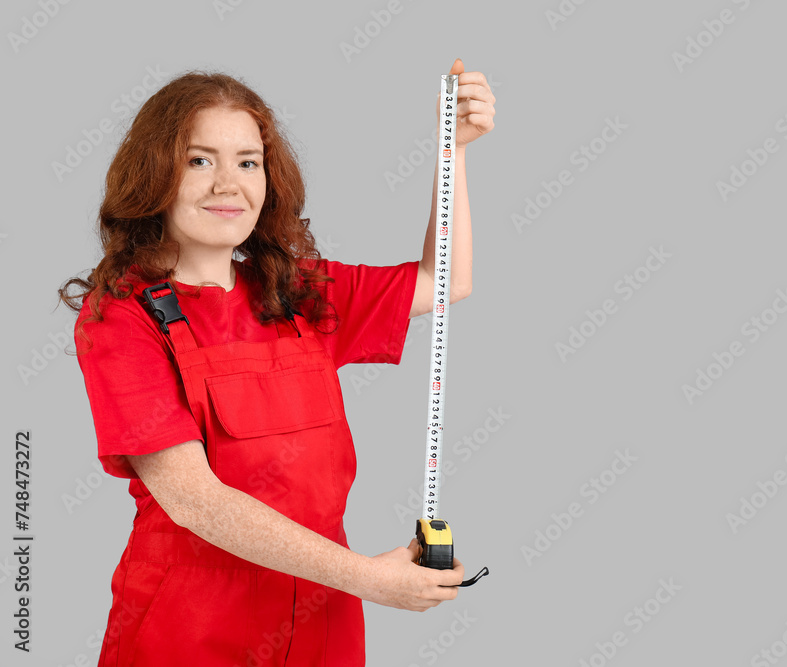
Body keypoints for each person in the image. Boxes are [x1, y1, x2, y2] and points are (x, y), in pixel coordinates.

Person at [57, 58, 496, 666]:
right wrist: (368, 579)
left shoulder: (296, 292)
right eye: (199, 160)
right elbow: (194, 500)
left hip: (322, 621)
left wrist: (454, 153)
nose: (228, 184)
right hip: (192, 630)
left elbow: (444, 281)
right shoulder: (121, 318)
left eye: (248, 162)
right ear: (154, 175)